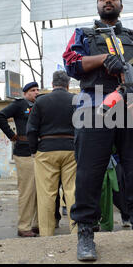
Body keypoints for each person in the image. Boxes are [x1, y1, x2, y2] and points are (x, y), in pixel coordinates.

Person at [63, 0, 133, 261]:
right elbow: (71, 62)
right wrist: (105, 58)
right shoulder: (83, 34)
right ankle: (85, 234)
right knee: (89, 174)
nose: (108, 2)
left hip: (130, 108)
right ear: (97, 3)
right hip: (94, 107)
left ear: (120, 4)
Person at [26, 71, 77, 237]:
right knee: (72, 191)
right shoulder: (75, 100)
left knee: (47, 194)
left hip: (46, 150)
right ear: (68, 84)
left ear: (52, 84)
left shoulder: (41, 101)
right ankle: (76, 231)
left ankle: (47, 234)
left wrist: (34, 150)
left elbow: (31, 130)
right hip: (71, 150)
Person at [0, 82, 40, 237]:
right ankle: (24, 226)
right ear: (25, 93)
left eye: (37, 90)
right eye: (33, 90)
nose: (36, 92)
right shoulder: (19, 105)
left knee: (40, 190)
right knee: (27, 190)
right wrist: (11, 135)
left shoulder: (40, 104)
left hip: (40, 151)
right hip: (24, 151)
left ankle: (36, 224)